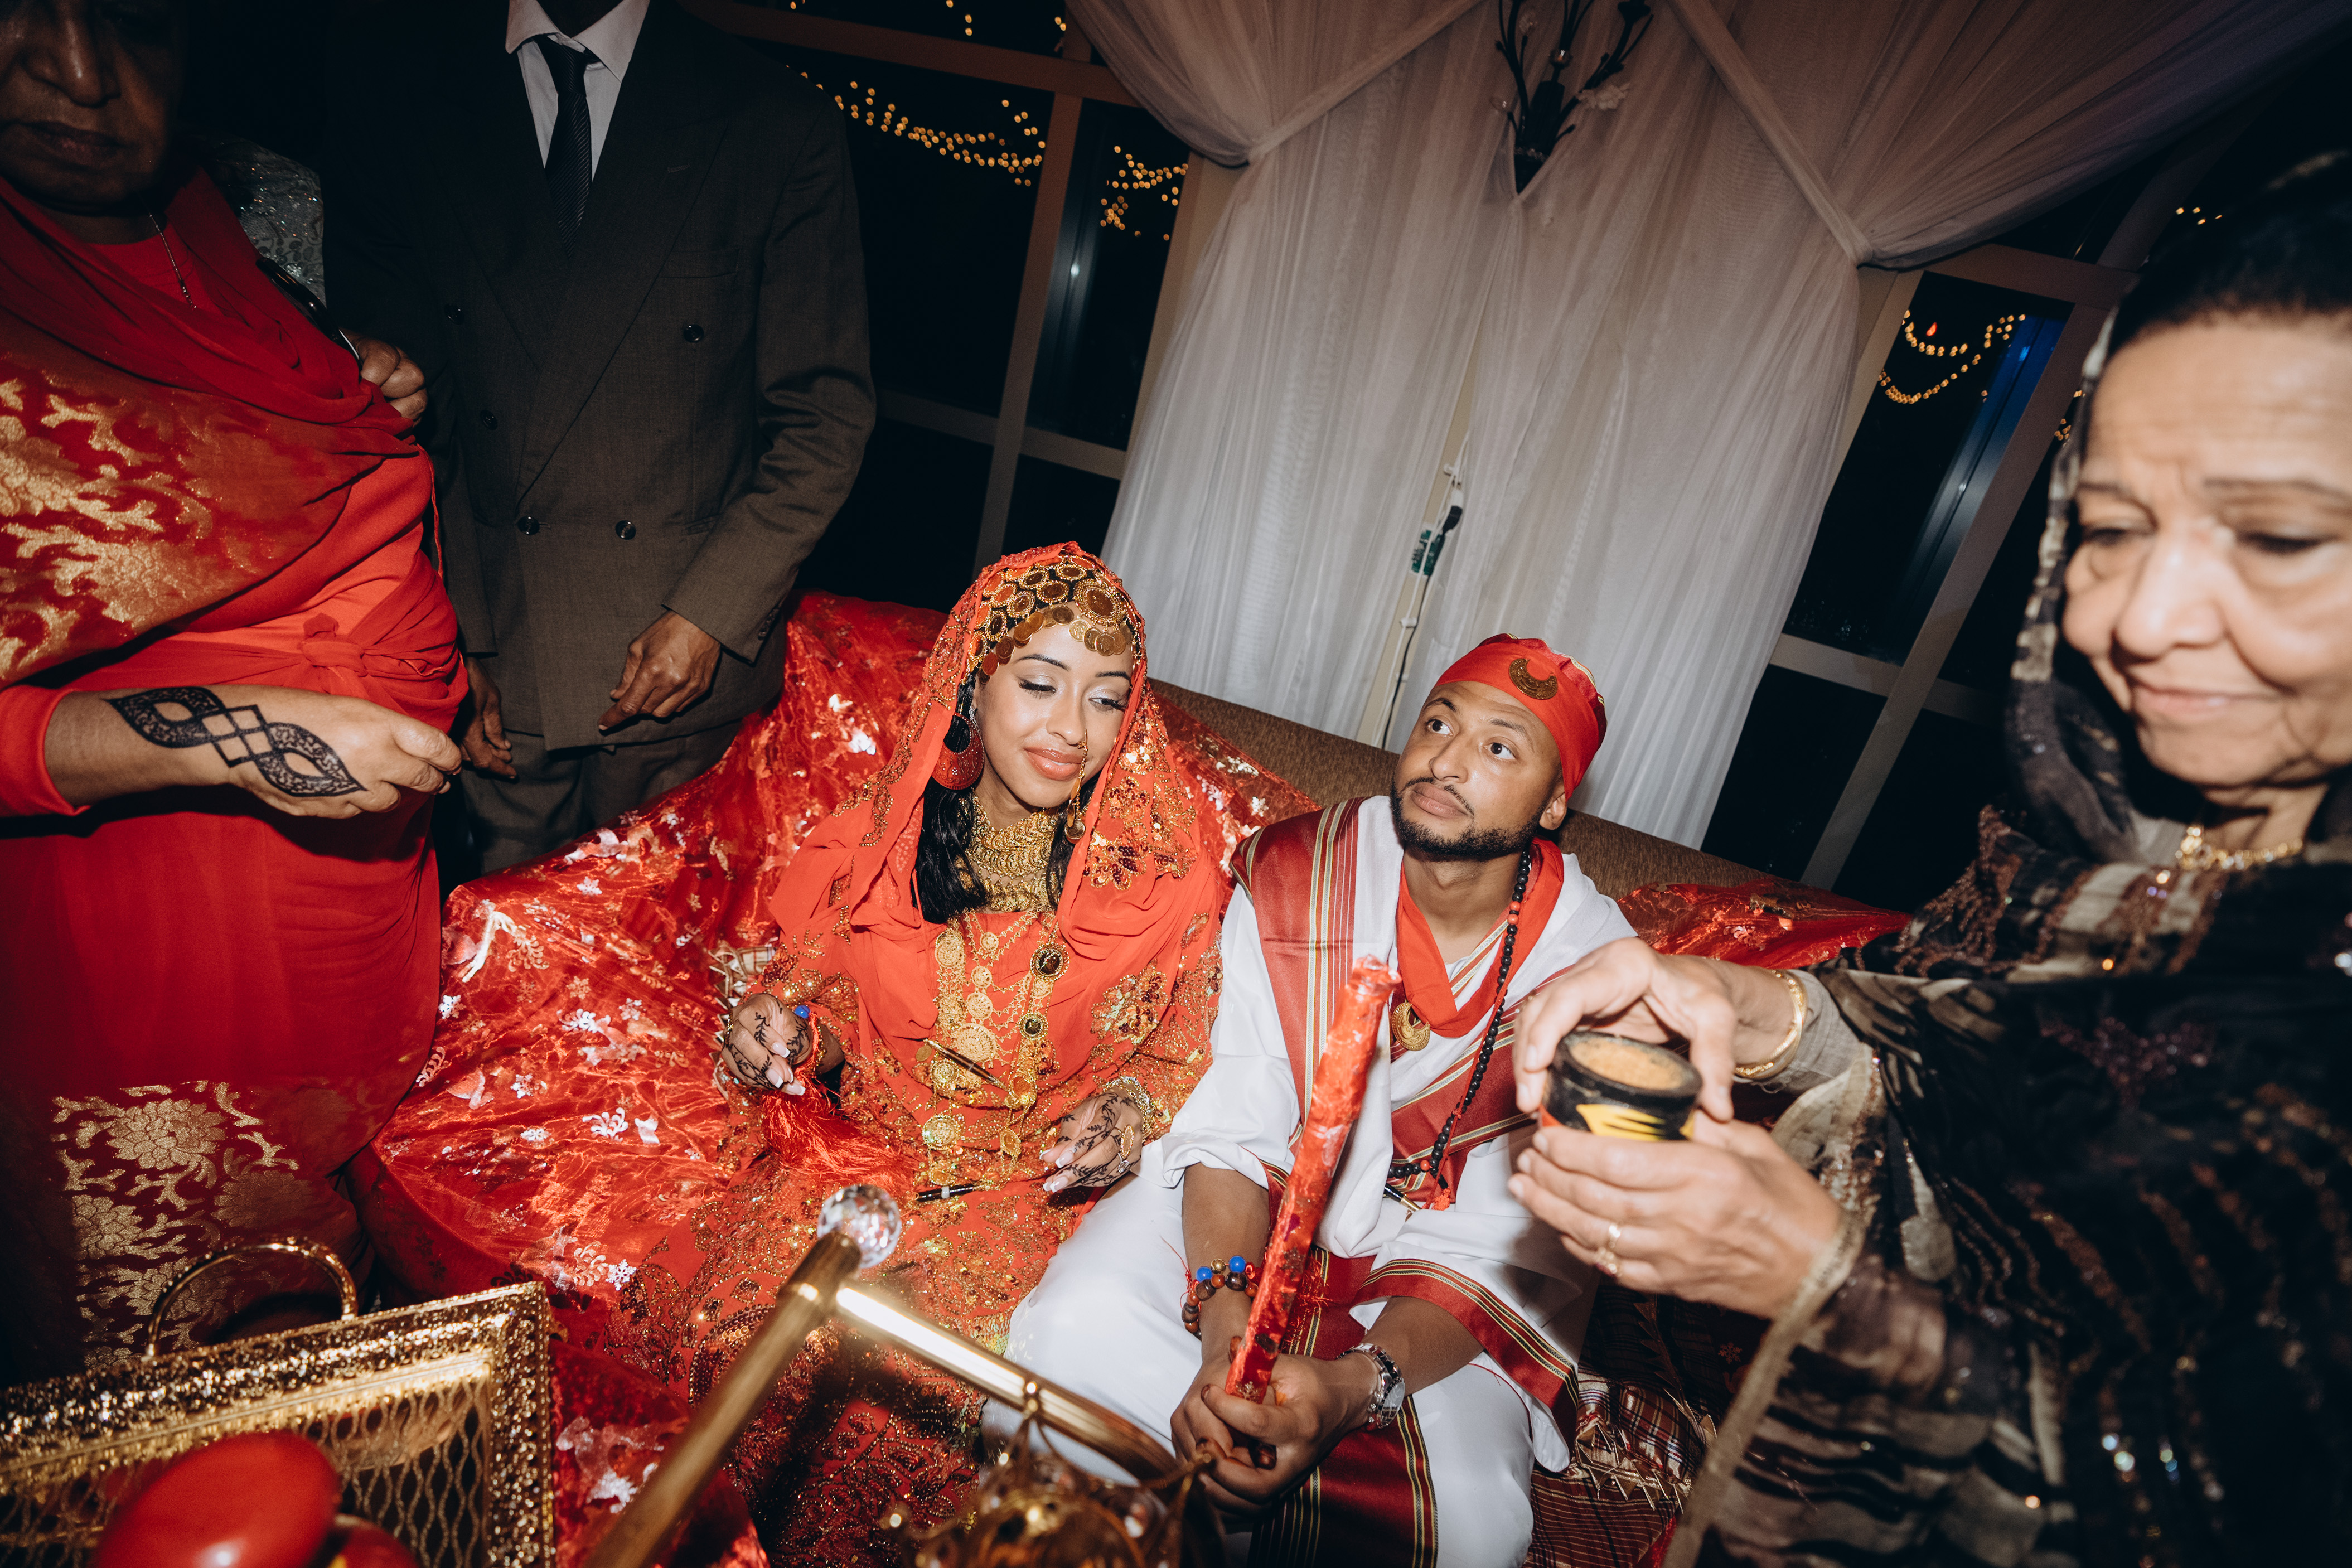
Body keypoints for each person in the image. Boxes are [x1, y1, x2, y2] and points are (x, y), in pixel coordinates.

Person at [1507, 152, 2352, 1567]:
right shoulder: (2091, 837)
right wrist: (1758, 1006)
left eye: (2273, 537)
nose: (2139, 619)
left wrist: (1825, 1289)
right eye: (2112, 528)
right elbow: (1948, 1038)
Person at [345, 544, 1318, 1564]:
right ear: (972, 686)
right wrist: (790, 1033)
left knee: (923, 1401)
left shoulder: (1164, 881)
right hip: (860, 1168)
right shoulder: (884, 836)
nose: (1071, 728)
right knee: (733, 1336)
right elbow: (831, 993)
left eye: (1106, 698)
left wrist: (1124, 1112)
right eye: (1039, 684)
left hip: (1030, 1201)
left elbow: (1187, 1049)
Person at [1009, 636, 1690, 1568]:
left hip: (1435, 1266)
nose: (1447, 760)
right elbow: (1234, 1116)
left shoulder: (1600, 978)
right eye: (1437, 724)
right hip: (1249, 1205)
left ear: (1553, 803)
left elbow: (1512, 1238)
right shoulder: (1300, 873)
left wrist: (1349, 1391)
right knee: (1068, 1333)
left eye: (1499, 747)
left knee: (1473, 1522)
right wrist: (1224, 1333)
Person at [0, 0, 463, 1365]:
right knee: (185, 1398)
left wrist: (340, 380)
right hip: (153, 975)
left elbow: (221, 456)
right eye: (18, 8)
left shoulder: (213, 211)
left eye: (136, 21)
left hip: (341, 936)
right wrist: (236, 736)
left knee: (319, 1355)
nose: (78, 73)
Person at [326, 0, 873, 870]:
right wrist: (456, 637)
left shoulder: (773, 117)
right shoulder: (402, 96)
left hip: (674, 674)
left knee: (661, 947)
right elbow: (404, 415)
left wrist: (709, 614)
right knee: (484, 942)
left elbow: (822, 417)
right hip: (494, 659)